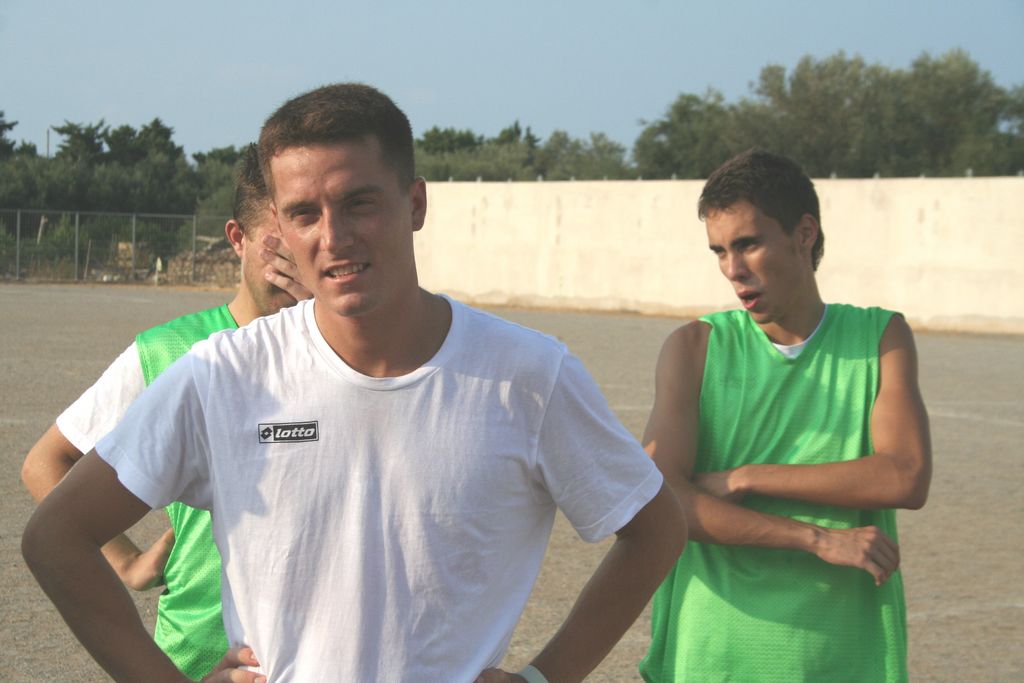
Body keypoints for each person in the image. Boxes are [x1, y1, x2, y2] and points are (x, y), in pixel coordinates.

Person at [23, 83, 686, 683]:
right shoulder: (222, 374)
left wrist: (547, 676)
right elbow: (56, 537)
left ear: (415, 203)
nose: (333, 236)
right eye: (303, 213)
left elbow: (656, 526)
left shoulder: (529, 374)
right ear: (277, 227)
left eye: (358, 203)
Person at [638, 149, 932, 682]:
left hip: (840, 653)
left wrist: (747, 477)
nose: (733, 270)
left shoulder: (879, 336)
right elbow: (662, 502)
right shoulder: (693, 348)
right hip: (715, 652)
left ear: (804, 234)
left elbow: (905, 476)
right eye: (720, 251)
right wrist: (815, 538)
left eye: (748, 244)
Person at [20, 144, 310, 680]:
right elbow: (47, 462)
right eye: (278, 252)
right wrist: (127, 562)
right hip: (197, 653)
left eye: (306, 249)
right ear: (237, 240)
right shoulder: (171, 352)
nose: (295, 270)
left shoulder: (355, 352)